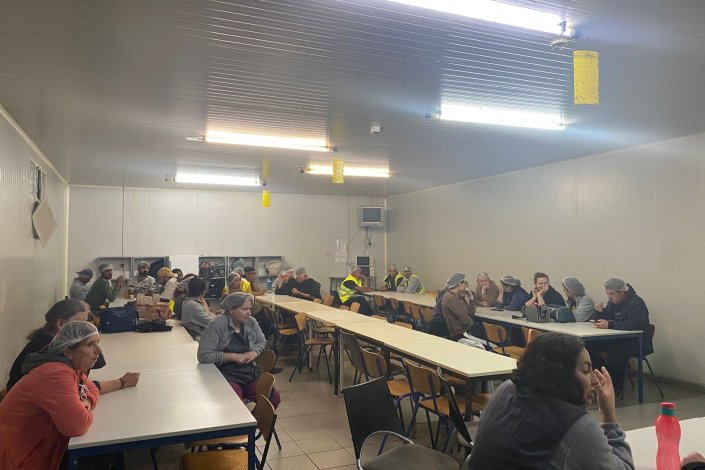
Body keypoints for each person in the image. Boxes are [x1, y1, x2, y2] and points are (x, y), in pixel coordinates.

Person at [466, 332, 634, 469]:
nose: (594, 379)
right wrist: (609, 417)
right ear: (562, 376)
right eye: (585, 371)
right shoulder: (577, 427)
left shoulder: (506, 389)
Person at [0, 322, 108, 469]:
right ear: (68, 351)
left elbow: (92, 388)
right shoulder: (56, 374)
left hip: (43, 446)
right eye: (90, 344)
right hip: (20, 459)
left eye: (98, 342)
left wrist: (86, 401)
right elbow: (77, 425)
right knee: (102, 454)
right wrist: (81, 406)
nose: (98, 351)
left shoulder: (72, 366)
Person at [6, 299, 140, 393]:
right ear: (61, 324)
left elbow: (86, 377)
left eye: (87, 323)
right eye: (80, 323)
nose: (86, 327)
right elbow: (80, 389)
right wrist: (122, 382)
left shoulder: (50, 339)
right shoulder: (53, 350)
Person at [197, 293, 280, 407]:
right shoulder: (217, 325)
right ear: (231, 309)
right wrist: (233, 357)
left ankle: (256, 416)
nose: (249, 313)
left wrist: (254, 352)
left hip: (248, 372)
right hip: (225, 373)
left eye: (250, 309)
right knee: (234, 400)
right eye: (244, 309)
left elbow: (261, 342)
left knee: (273, 396)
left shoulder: (251, 322)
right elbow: (204, 355)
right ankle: (244, 412)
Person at [590, 278, 652, 394]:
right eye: (607, 293)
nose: (608, 297)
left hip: (635, 341)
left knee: (616, 354)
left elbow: (636, 324)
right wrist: (599, 313)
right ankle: (604, 378)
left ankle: (615, 385)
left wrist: (610, 324)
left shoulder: (636, 303)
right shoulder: (613, 302)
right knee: (588, 347)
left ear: (622, 292)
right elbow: (607, 318)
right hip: (616, 339)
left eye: (611, 294)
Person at [440, 272, 483, 341]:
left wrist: (471, 298)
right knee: (486, 334)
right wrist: (472, 323)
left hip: (464, 331)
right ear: (459, 284)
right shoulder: (451, 298)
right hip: (460, 334)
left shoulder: (456, 296)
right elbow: (466, 320)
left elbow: (471, 314)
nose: (465, 287)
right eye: (463, 284)